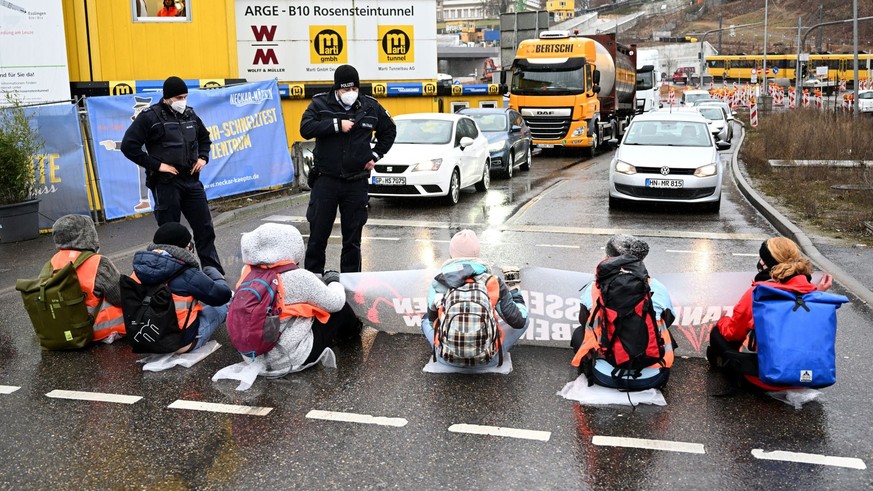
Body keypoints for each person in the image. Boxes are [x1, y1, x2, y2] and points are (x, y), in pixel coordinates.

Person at [121, 76, 224, 275]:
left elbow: (205, 138)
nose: (182, 101)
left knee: (205, 229)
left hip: (191, 181)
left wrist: (203, 157)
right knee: (171, 234)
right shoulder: (150, 117)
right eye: (179, 97)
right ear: (167, 97)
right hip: (166, 184)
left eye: (185, 96)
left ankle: (214, 273)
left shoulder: (190, 114)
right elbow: (128, 146)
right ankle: (174, 276)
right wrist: (157, 165)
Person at [300, 64, 396, 274]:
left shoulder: (370, 107)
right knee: (318, 235)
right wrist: (336, 124)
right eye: (345, 90)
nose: (350, 94)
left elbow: (389, 131)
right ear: (337, 89)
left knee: (352, 239)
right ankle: (313, 280)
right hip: (326, 180)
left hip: (356, 182)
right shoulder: (319, 103)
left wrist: (375, 155)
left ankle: (351, 285)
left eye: (354, 89)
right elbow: (305, 128)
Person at [234, 223, 363, 375]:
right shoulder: (298, 277)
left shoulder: (247, 272)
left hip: (253, 357)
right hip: (291, 358)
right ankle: (354, 331)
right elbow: (336, 302)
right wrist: (334, 280)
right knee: (339, 310)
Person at [708, 237, 833, 391]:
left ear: (767, 263)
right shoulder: (813, 294)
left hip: (767, 379)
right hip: (809, 378)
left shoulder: (758, 293)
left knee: (717, 333)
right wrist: (817, 291)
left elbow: (733, 333)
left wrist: (722, 321)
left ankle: (726, 368)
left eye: (762, 257)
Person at [570, 234, 676, 390]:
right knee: (665, 334)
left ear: (608, 258)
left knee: (580, 333)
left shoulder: (593, 288)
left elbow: (584, 322)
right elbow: (668, 321)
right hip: (652, 379)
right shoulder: (657, 287)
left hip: (605, 377)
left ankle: (589, 370)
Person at [421, 229, 529, 369]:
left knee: (424, 319)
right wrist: (514, 291)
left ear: (451, 254)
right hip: (489, 359)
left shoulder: (440, 282)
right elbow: (518, 321)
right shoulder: (491, 281)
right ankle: (489, 351)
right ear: (477, 254)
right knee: (525, 318)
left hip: (446, 358)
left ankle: (448, 352)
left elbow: (432, 322)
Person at [130, 223, 232, 353]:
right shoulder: (186, 272)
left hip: (145, 339)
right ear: (184, 247)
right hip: (180, 343)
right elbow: (222, 296)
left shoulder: (138, 270)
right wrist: (218, 278)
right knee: (224, 305)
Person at [49, 214, 126, 343]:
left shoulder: (52, 262)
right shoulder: (97, 262)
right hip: (98, 330)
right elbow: (120, 297)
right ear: (88, 234)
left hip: (67, 330)